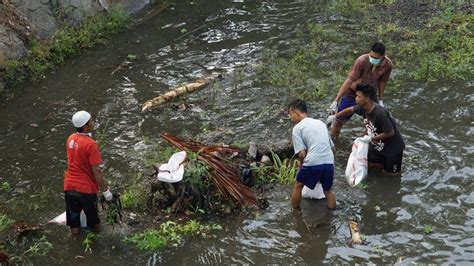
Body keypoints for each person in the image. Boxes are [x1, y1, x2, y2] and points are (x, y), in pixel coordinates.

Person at [327, 84, 405, 175]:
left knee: (390, 174)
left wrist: (371, 139)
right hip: (377, 145)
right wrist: (336, 116)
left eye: (358, 96)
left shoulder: (380, 114)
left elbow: (390, 132)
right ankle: (380, 164)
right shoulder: (362, 107)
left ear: (367, 99)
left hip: (392, 150)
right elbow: (350, 110)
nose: (356, 98)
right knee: (364, 161)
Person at [64, 110, 113, 237]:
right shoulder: (91, 144)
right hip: (86, 189)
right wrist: (106, 191)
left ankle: (75, 244)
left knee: (74, 224)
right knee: (94, 222)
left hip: (69, 186)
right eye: (91, 120)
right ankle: (97, 246)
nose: (93, 122)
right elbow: (96, 170)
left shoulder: (70, 139)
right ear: (86, 126)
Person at [328, 41, 393, 138]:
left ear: (383, 56)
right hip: (352, 94)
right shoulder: (362, 61)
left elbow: (382, 82)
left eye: (376, 58)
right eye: (371, 56)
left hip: (369, 95)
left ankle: (362, 143)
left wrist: (380, 100)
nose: (372, 59)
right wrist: (336, 100)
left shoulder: (387, 65)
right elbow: (349, 80)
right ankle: (334, 142)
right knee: (338, 122)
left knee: (373, 124)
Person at [288, 99, 336, 210]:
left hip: (313, 162)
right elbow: (333, 149)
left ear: (296, 112)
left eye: (291, 115)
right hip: (329, 162)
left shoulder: (297, 128)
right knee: (327, 191)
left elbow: (302, 154)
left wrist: (301, 165)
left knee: (298, 186)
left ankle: (295, 214)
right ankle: (331, 216)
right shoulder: (320, 123)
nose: (291, 118)